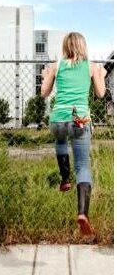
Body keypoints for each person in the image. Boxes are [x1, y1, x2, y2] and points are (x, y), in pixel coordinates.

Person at [41, 32, 107, 235]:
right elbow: (100, 93)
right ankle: (82, 213)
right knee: (83, 165)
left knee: (60, 141)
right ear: (83, 46)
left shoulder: (56, 65)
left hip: (58, 118)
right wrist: (101, 75)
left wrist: (46, 76)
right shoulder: (92, 66)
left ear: (65, 46)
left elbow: (44, 92)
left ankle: (65, 178)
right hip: (80, 119)